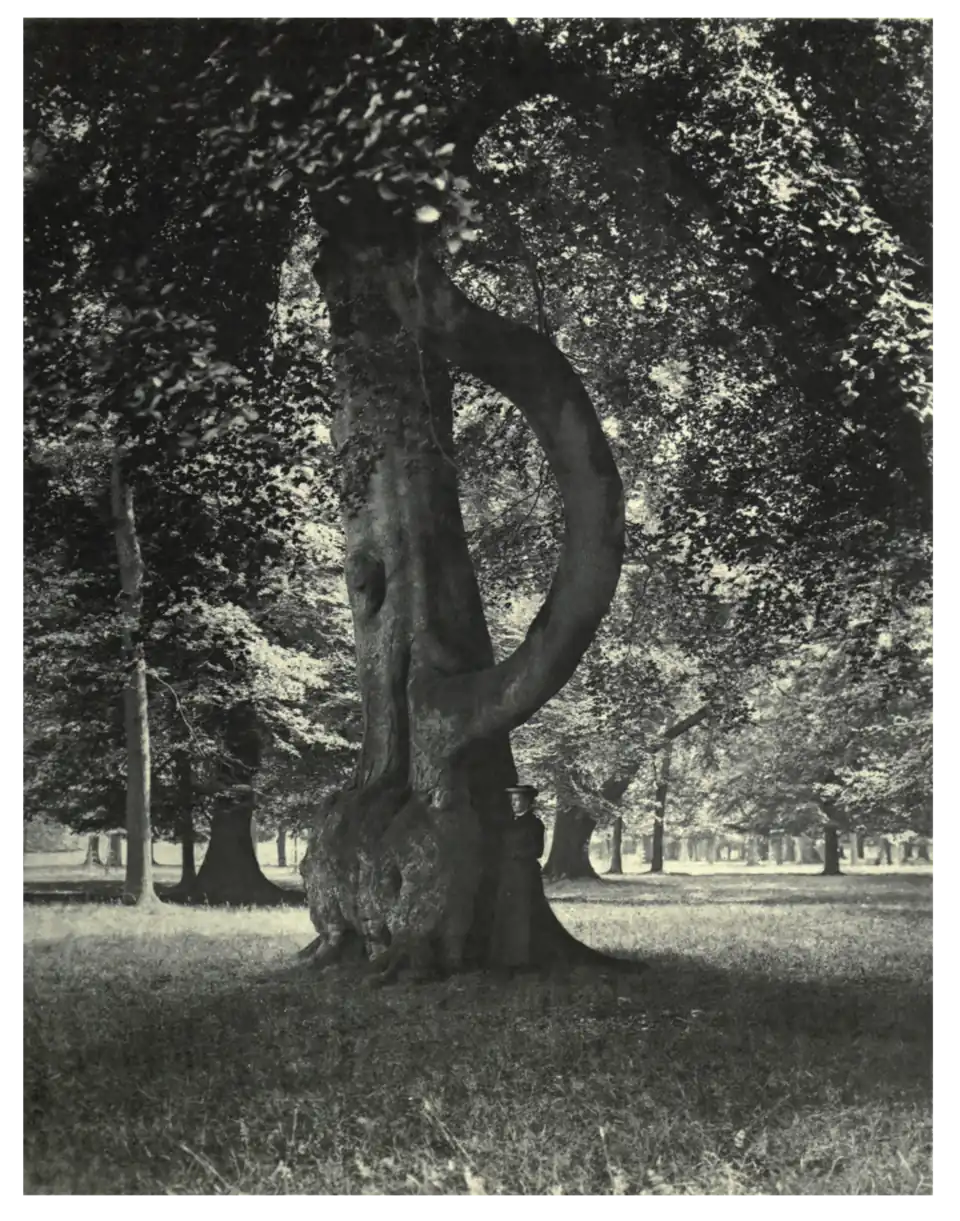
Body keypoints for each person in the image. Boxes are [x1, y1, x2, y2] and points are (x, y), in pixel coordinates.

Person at [489, 794, 545, 971]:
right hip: (508, 873)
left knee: (523, 914)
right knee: (506, 912)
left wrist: (518, 855)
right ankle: (504, 957)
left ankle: (522, 959)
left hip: (524, 873)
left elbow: (538, 850)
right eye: (512, 801)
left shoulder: (535, 824)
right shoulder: (509, 823)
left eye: (518, 800)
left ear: (527, 802)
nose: (514, 804)